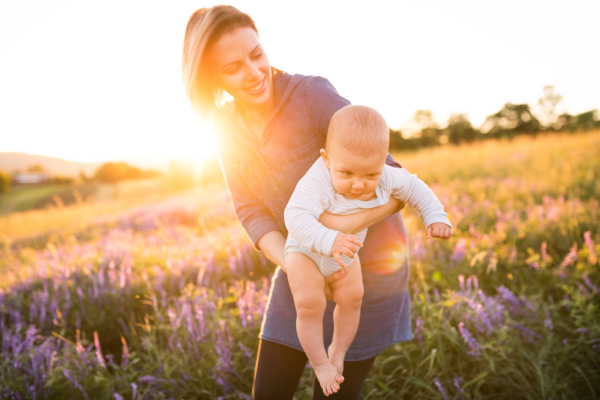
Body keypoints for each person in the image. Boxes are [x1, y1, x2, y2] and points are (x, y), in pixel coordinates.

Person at [182, 6, 452, 399]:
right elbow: (251, 211)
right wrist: (295, 263)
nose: (254, 72)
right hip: (299, 263)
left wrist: (338, 232)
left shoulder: (311, 94)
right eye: (233, 67)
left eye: (257, 54)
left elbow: (391, 180)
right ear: (211, 76)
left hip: (366, 269)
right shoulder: (223, 128)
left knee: (334, 392)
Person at [284, 105, 452, 395]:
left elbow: (415, 187)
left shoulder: (386, 175)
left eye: (370, 175)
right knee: (310, 303)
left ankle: (338, 349)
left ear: (383, 163)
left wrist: (435, 216)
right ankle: (321, 364)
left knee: (353, 296)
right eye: (346, 173)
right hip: (305, 250)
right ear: (326, 159)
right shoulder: (317, 180)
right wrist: (330, 240)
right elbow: (296, 216)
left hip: (345, 250)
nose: (359, 185)